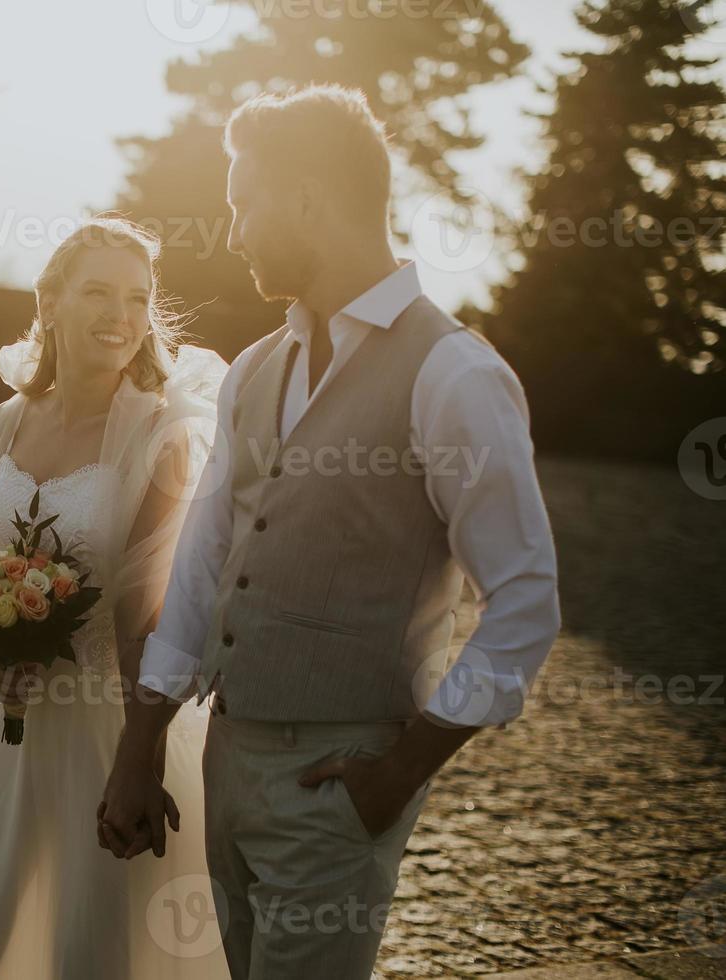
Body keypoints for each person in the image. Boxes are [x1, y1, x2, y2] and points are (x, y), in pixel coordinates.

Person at [99, 85, 562, 980]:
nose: (234, 234)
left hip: (341, 778)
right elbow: (202, 563)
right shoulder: (258, 370)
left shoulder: (454, 374)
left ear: (306, 197)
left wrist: (405, 767)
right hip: (225, 759)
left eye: (244, 205)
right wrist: (139, 748)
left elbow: (525, 598)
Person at [0, 216, 233, 979]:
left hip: (113, 723)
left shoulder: (163, 437)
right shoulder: (6, 422)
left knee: (100, 939)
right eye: (97, 293)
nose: (120, 316)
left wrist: (136, 759)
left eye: (137, 297)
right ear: (50, 303)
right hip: (9, 725)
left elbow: (148, 615)